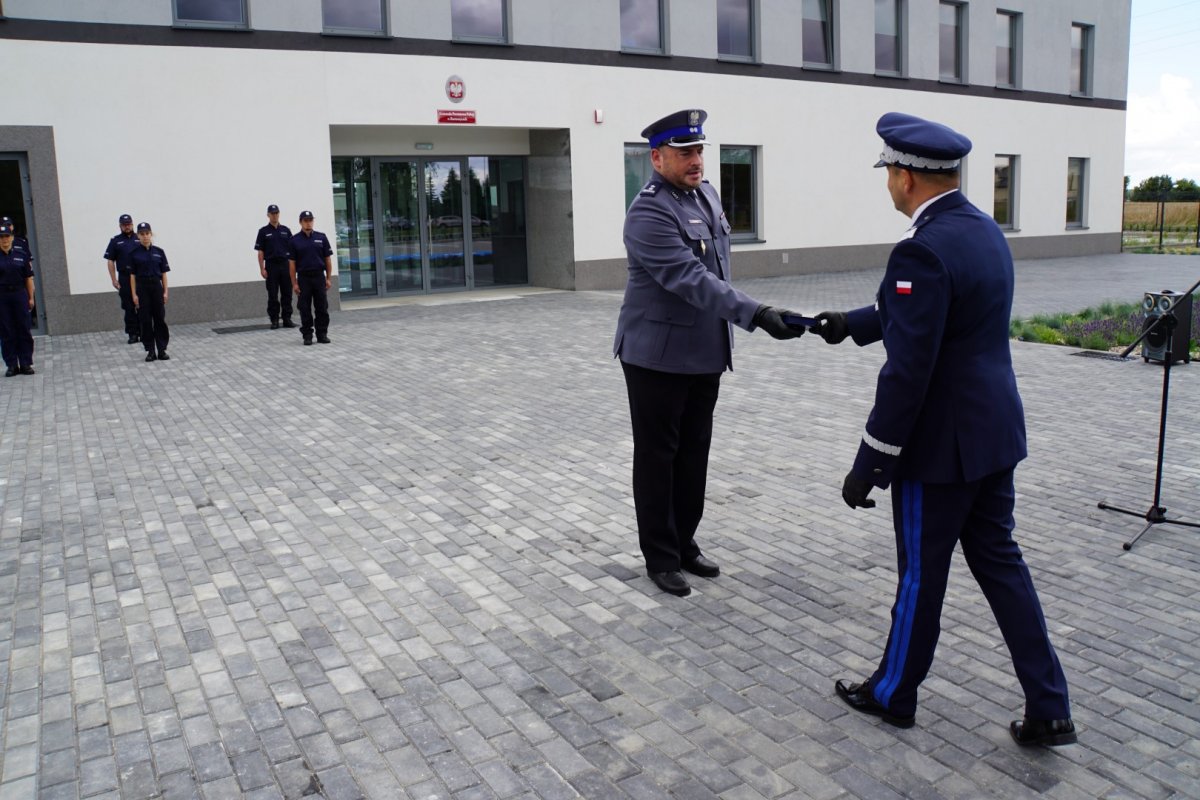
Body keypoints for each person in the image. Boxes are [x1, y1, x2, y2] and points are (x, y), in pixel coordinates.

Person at [813, 112, 1075, 746]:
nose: (888, 183)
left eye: (888, 173)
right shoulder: (982, 230)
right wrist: (849, 323)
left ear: (905, 177)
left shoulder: (919, 247)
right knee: (1003, 568)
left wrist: (868, 463)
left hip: (940, 453)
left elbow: (908, 373)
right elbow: (917, 313)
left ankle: (893, 693)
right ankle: (1051, 706)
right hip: (993, 436)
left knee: (920, 577)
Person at [614, 108, 803, 598]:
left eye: (699, 150)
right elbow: (690, 278)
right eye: (685, 152)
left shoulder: (705, 194)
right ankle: (659, 556)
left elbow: (718, 268)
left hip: (703, 351)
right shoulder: (649, 211)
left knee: (694, 452)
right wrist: (757, 313)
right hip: (656, 357)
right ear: (657, 158)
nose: (696, 160)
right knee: (659, 456)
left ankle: (684, 542)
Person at [288, 210, 333, 346]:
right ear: (300, 222)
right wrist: (294, 283)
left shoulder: (321, 237)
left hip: (319, 277)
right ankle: (307, 335)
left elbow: (328, 259)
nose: (308, 223)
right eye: (306, 220)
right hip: (304, 279)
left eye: (310, 220)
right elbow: (292, 264)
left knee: (322, 307)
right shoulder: (294, 240)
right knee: (304, 308)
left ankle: (322, 334)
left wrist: (329, 278)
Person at [128, 222, 171, 362]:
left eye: (147, 233)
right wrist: (134, 295)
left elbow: (164, 274)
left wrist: (165, 292)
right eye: (142, 234)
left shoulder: (159, 252)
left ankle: (162, 349)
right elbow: (132, 276)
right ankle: (150, 351)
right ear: (138, 236)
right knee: (145, 320)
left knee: (159, 319)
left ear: (151, 234)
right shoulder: (134, 254)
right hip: (142, 288)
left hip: (156, 287)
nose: (145, 236)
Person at [0, 220, 35, 376]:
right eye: (1, 237)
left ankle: (26, 363)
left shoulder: (21, 255)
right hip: (2, 297)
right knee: (7, 331)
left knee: (23, 329)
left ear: (12, 237)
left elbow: (28, 279)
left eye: (7, 236)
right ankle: (12, 365)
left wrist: (31, 298)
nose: (4, 240)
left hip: (20, 294)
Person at [255, 204, 295, 329]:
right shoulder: (263, 232)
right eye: (272, 213)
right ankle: (274, 319)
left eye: (276, 213)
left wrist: (294, 267)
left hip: (285, 265)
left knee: (287, 293)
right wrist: (262, 268)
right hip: (271, 266)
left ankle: (287, 318)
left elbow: (293, 249)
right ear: (268, 215)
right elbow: (260, 252)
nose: (275, 215)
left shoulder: (286, 230)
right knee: (272, 294)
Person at [105, 213, 141, 343]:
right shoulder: (115, 241)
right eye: (124, 225)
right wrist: (114, 279)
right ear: (120, 226)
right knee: (129, 307)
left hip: (139, 277)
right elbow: (110, 261)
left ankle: (143, 332)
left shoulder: (140, 238)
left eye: (129, 224)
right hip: (125, 278)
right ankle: (132, 333)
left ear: (132, 224)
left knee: (143, 305)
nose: (127, 227)